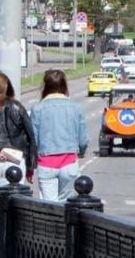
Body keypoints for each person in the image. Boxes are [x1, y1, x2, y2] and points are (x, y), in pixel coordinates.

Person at [26, 68, 89, 202]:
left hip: (46, 163)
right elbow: (83, 138)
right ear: (64, 86)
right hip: (69, 161)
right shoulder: (75, 107)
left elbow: (33, 142)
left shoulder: (38, 109)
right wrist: (81, 151)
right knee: (66, 202)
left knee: (50, 205)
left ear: (45, 87)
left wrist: (30, 166)